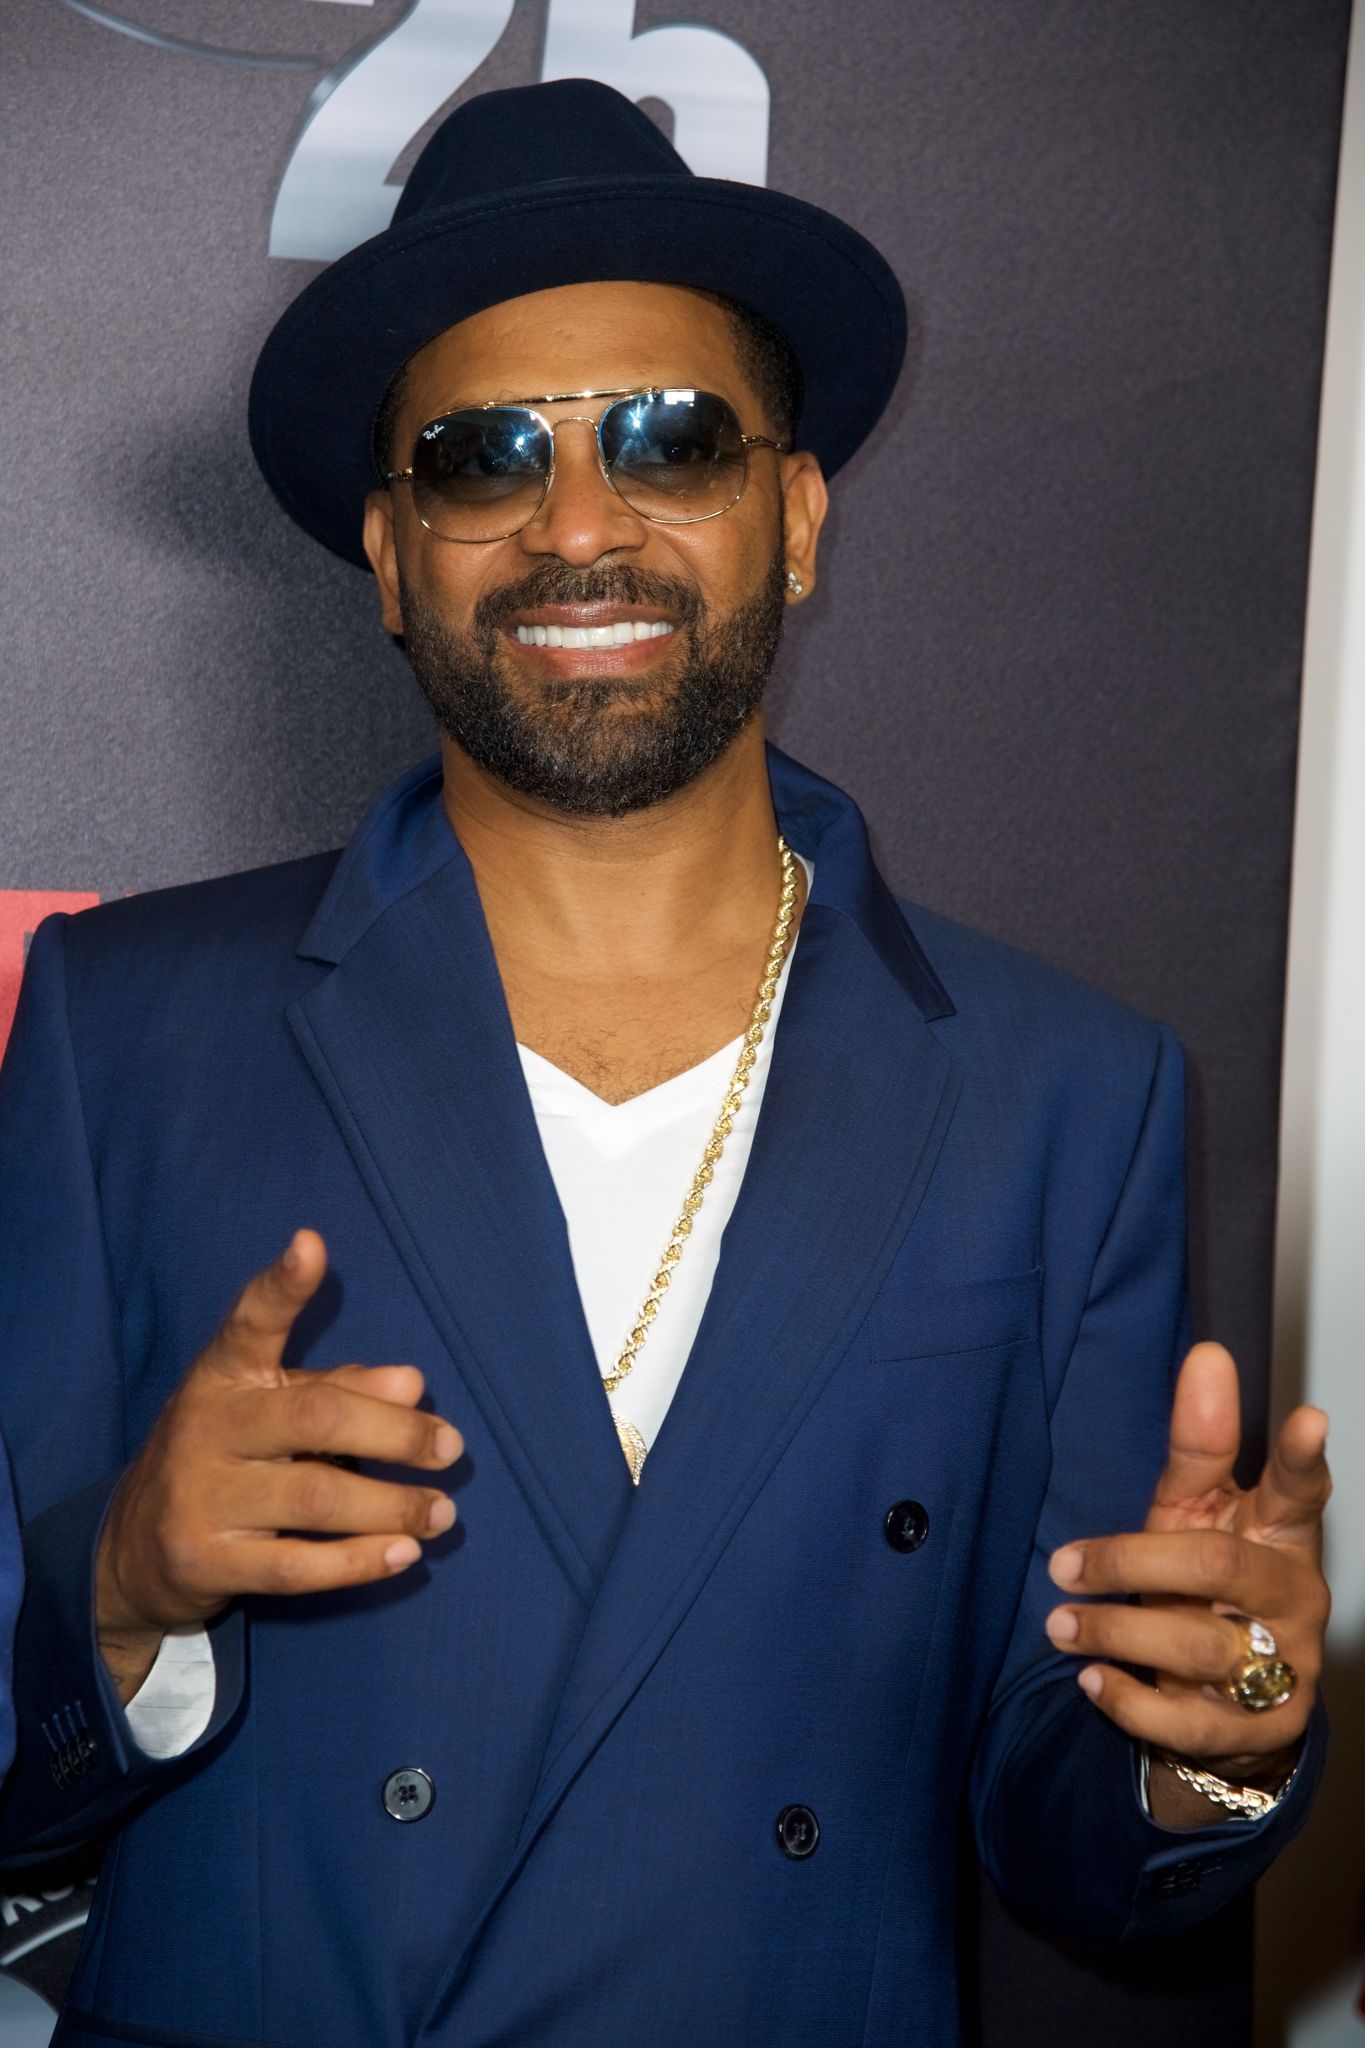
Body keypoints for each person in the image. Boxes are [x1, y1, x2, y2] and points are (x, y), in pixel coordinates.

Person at [0, 77, 1332, 2048]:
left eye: (666, 435)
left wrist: (1211, 1736)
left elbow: (1073, 1842)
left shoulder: (1066, 1094)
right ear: (387, 555)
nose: (575, 523)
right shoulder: (126, 1027)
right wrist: (118, 1590)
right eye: (477, 459)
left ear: (790, 518)